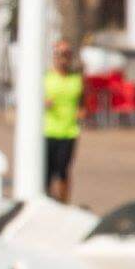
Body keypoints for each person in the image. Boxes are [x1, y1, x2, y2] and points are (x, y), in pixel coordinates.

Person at [44, 38, 84, 203]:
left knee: (63, 171)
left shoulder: (76, 79)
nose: (63, 58)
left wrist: (82, 111)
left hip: (69, 131)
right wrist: (43, 104)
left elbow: (83, 101)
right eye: (60, 54)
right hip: (47, 130)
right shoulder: (46, 78)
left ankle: (63, 203)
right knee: (46, 172)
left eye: (67, 54)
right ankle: (46, 200)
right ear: (54, 56)